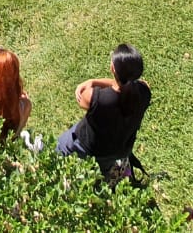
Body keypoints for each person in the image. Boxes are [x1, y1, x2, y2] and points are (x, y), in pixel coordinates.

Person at [57, 44, 151, 177]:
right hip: (118, 148)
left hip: (89, 146)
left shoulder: (98, 98)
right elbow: (128, 85)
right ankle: (104, 175)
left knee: (60, 146)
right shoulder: (144, 91)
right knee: (104, 165)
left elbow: (82, 94)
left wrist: (93, 81)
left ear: (112, 68)